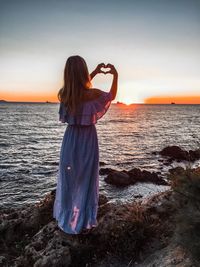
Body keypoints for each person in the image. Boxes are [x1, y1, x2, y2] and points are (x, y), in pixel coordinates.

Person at [53, 55, 118, 234]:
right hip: (88, 138)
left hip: (70, 139)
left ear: (67, 73)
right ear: (84, 72)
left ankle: (67, 218)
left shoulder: (65, 94)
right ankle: (82, 221)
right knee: (87, 178)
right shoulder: (93, 94)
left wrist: (96, 72)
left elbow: (78, 86)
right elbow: (111, 95)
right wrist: (115, 75)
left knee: (69, 179)